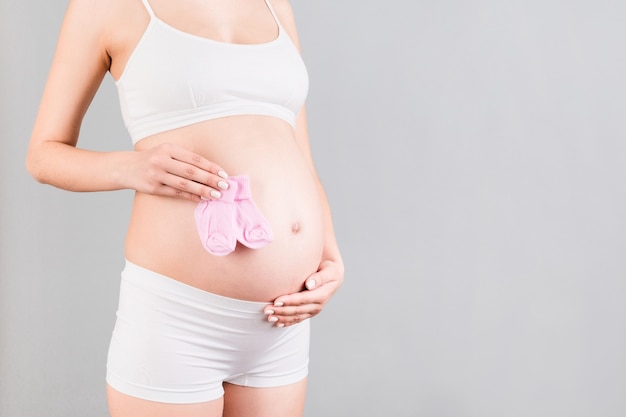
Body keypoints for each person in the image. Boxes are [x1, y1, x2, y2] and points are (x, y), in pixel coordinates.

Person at [25, 0, 344, 415]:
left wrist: (329, 256)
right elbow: (43, 155)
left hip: (280, 323)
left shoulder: (274, 5)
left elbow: (301, 155)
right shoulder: (105, 6)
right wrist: (130, 167)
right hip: (178, 321)